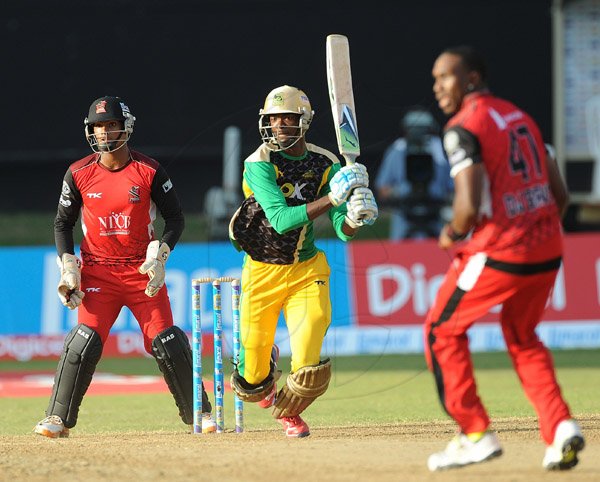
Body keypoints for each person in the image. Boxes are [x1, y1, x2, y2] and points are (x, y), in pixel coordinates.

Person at [425, 46, 585, 471]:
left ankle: (474, 433)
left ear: (473, 78)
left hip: (502, 251)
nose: (438, 86)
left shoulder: (462, 128)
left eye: (447, 77)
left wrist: (452, 234)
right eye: (436, 78)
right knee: (523, 336)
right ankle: (560, 427)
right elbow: (561, 196)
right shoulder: (520, 117)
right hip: (548, 248)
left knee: (440, 331)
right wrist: (535, 231)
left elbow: (467, 209)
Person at [34, 95, 217, 438]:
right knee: (82, 342)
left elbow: (176, 218)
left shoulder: (148, 171)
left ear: (125, 127)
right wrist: (68, 267)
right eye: (99, 127)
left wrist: (161, 255)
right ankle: (57, 419)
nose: (105, 133)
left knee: (167, 341)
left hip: (141, 271)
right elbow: (62, 224)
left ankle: (200, 413)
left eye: (111, 125)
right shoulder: (78, 173)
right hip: (98, 272)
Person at [228, 85, 378, 437]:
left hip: (306, 269)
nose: (278, 126)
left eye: (287, 119)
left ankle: (289, 413)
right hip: (262, 271)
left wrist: (355, 215)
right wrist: (332, 197)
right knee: (251, 381)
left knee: (310, 353)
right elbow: (280, 220)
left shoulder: (325, 162)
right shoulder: (258, 163)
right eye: (272, 119)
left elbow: (342, 228)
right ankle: (264, 364)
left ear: (304, 121)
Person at [375, 107, 453, 240]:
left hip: (435, 218)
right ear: (406, 130)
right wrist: (398, 193)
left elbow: (453, 188)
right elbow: (382, 189)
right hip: (404, 219)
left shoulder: (441, 151)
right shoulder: (396, 151)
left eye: (423, 129)